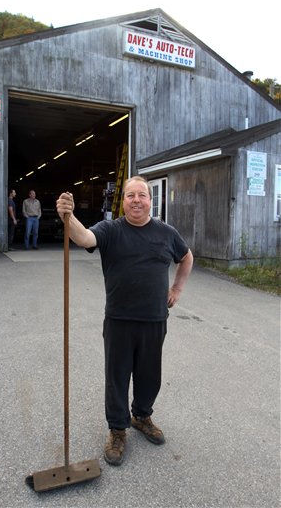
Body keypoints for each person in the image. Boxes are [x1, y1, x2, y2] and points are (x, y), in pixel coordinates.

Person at [56, 176, 193, 467]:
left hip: (154, 319)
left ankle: (142, 416)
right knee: (117, 377)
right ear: (123, 201)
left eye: (142, 195)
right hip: (118, 319)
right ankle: (118, 430)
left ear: (150, 201)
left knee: (149, 374)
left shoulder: (167, 233)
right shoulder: (111, 230)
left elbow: (186, 257)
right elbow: (84, 238)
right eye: (130, 195)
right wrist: (68, 217)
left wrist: (177, 288)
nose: (136, 200)